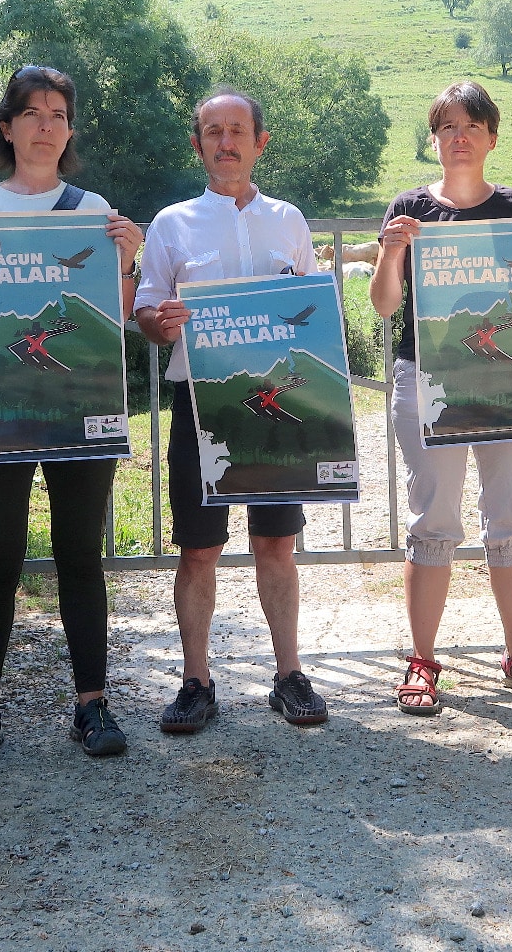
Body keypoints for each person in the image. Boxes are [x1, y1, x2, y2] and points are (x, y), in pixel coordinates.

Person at [0, 66, 146, 767]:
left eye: (58, 113)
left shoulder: (93, 209)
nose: (46, 124)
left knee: (81, 556)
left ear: (69, 130)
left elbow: (117, 315)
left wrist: (130, 261)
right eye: (32, 112)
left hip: (78, 407)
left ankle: (92, 705)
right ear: (7, 126)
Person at [371, 81, 512, 714]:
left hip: (505, 385)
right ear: (434, 138)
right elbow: (384, 306)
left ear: (491, 137)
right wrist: (390, 251)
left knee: (509, 516)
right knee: (433, 519)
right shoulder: (410, 207)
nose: (459, 137)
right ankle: (422, 660)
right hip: (427, 378)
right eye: (447, 127)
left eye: (472, 126)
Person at [134, 87, 328, 732]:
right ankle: (196, 682)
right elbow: (147, 313)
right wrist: (160, 324)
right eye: (213, 131)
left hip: (275, 407)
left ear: (258, 142)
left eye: (238, 130)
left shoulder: (290, 221)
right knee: (198, 550)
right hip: (200, 405)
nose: (226, 142)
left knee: (277, 544)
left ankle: (289, 676)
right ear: (198, 145)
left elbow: (309, 311)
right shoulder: (171, 223)